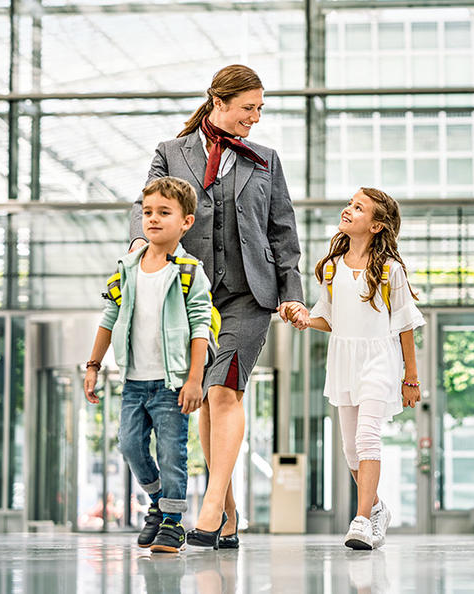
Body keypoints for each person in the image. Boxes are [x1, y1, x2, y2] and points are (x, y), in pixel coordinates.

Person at [131, 64, 307, 549]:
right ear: (219, 102)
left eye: (260, 109)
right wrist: (138, 250)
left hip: (250, 292)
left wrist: (291, 293)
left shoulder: (265, 159)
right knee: (206, 397)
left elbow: (282, 231)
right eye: (248, 108)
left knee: (224, 391)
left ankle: (209, 511)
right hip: (192, 295)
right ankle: (228, 513)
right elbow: (144, 207)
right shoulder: (170, 152)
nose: (255, 118)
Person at [85, 176, 213, 553]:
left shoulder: (190, 271)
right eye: (147, 213)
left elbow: (200, 327)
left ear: (186, 222)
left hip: (172, 383)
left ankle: (173, 523)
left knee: (173, 453)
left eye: (164, 213)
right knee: (129, 445)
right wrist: (93, 364)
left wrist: (194, 379)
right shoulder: (127, 268)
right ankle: (157, 501)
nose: (152, 219)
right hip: (134, 381)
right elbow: (109, 317)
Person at [299, 187, 424, 549]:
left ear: (376, 226)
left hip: (379, 360)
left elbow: (404, 326)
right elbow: (328, 317)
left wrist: (410, 378)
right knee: (350, 450)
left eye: (359, 207)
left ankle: (361, 520)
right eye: (350, 204)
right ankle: (378, 507)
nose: (348, 210)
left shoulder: (389, 270)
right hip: (343, 359)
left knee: (368, 437)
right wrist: (306, 320)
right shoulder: (331, 267)